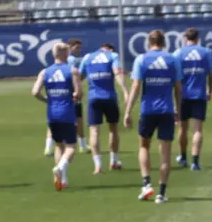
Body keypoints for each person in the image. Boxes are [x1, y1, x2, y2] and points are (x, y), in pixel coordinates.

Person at [123, 29, 182, 203]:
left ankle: (147, 184)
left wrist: (127, 111)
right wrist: (178, 109)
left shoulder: (141, 59)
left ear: (148, 43)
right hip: (166, 110)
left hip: (147, 110)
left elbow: (135, 87)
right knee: (165, 153)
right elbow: (178, 89)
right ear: (164, 42)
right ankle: (161, 193)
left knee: (144, 146)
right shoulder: (173, 60)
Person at [32, 42, 81, 191]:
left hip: (52, 113)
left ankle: (61, 180)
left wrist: (47, 100)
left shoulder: (44, 72)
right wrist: (74, 97)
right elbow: (79, 93)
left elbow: (35, 92)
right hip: (67, 112)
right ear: (66, 54)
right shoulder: (72, 71)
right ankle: (60, 167)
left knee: (59, 145)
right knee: (71, 147)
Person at [78, 42, 127, 173]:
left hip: (93, 97)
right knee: (113, 129)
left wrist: (75, 91)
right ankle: (113, 161)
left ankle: (98, 165)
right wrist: (125, 90)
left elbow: (79, 77)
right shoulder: (113, 56)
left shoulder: (87, 57)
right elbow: (117, 73)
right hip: (109, 97)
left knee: (94, 131)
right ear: (110, 49)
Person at [175, 28, 212, 171]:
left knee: (182, 127)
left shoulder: (178, 53)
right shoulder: (206, 52)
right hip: (199, 94)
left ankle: (183, 157)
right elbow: (211, 74)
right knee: (198, 129)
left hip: (183, 95)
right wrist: (210, 90)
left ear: (185, 38)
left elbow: (175, 78)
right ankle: (195, 162)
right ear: (198, 38)